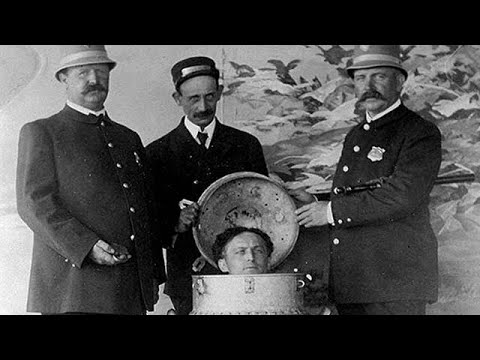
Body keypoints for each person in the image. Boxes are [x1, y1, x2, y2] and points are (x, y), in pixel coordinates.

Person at [293, 45, 442, 315]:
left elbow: (401, 196)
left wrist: (328, 212)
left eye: (379, 76)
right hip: (356, 280)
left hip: (395, 283)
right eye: (361, 78)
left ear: (399, 81)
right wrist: (315, 202)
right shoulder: (357, 135)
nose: (368, 85)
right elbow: (358, 193)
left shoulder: (419, 132)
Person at [16, 45, 165, 315]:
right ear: (64, 78)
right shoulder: (41, 132)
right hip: (73, 294)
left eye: (100, 70)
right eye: (83, 72)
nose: (94, 79)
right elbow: (34, 204)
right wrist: (86, 248)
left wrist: (151, 275)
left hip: (129, 293)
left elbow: (144, 209)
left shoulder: (128, 138)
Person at [146, 56, 269, 315]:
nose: (203, 106)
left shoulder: (246, 145)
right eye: (193, 99)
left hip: (243, 278)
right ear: (177, 99)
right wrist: (176, 223)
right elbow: (148, 221)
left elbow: (264, 209)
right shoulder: (156, 154)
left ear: (220, 93)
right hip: (187, 278)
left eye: (210, 97)